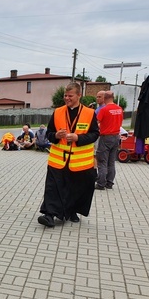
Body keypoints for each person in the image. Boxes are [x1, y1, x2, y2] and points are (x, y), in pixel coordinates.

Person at [38, 83, 99, 227]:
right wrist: (56, 135)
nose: (67, 98)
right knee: (53, 188)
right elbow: (49, 133)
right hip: (58, 160)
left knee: (76, 189)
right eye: (65, 95)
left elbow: (95, 134)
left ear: (79, 95)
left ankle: (72, 211)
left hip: (80, 162)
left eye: (70, 96)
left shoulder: (90, 113)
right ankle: (49, 215)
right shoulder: (58, 112)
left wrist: (78, 138)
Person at [95, 91, 123, 190]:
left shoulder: (104, 109)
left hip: (105, 137)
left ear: (104, 98)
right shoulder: (119, 109)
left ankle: (101, 183)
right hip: (116, 137)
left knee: (102, 161)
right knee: (111, 161)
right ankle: (109, 182)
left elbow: (96, 122)